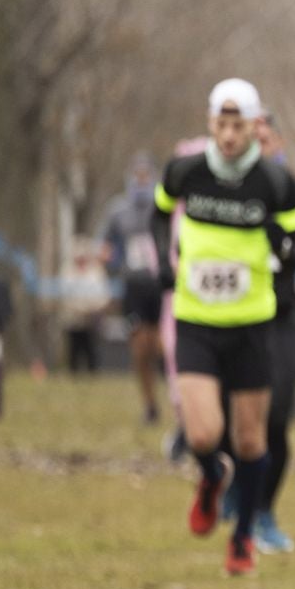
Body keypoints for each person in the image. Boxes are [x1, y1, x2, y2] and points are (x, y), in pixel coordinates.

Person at [149, 78, 295, 576]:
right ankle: (211, 476)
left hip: (251, 327)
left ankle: (241, 538)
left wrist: (279, 247)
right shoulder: (185, 172)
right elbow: (158, 212)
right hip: (196, 322)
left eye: (239, 125)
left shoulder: (275, 183)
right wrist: (165, 263)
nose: (230, 135)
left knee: (250, 441)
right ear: (210, 123)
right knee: (202, 435)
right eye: (222, 124)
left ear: (255, 126)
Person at [238, 109, 295, 554]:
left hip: (284, 315)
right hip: (237, 318)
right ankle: (236, 492)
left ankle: (265, 511)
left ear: (278, 144)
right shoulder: (227, 194)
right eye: (254, 139)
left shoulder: (294, 190)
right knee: (236, 422)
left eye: (266, 139)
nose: (260, 146)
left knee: (277, 416)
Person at [101, 153, 166, 423]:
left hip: (162, 285)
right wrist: (111, 267)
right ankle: (150, 405)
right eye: (137, 175)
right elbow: (105, 247)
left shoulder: (164, 208)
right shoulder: (117, 211)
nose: (141, 181)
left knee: (163, 345)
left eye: (145, 175)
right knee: (141, 349)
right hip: (134, 287)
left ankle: (180, 401)